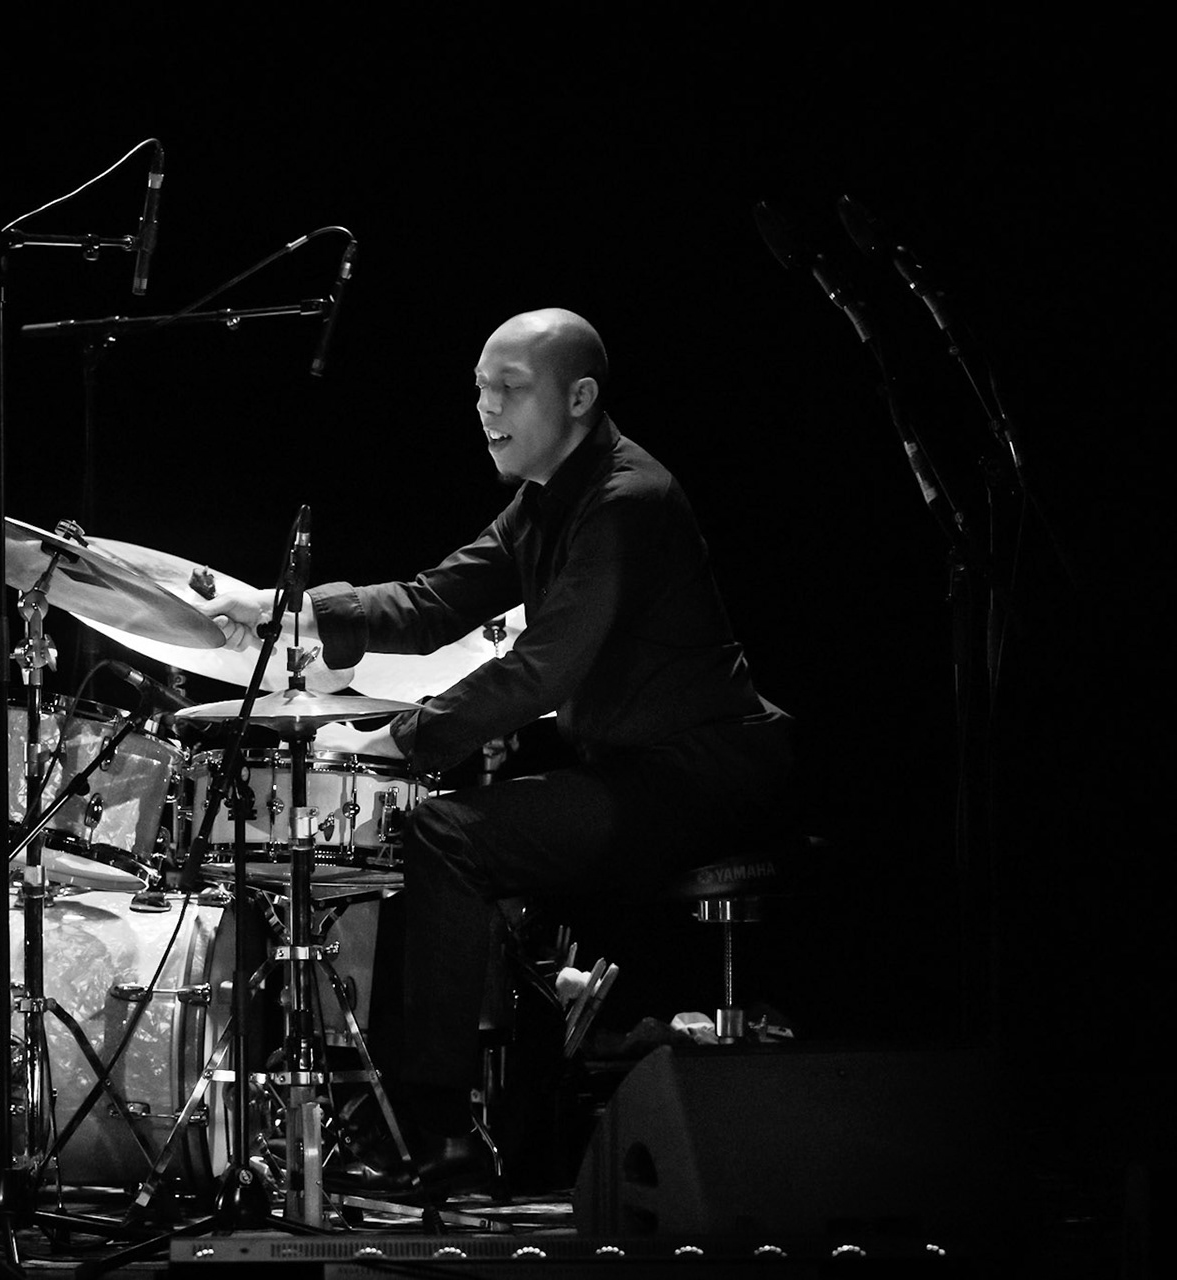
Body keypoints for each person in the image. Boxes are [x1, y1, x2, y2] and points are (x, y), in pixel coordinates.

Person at [200, 307, 794, 1198]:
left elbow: (542, 669)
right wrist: (289, 613)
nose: (485, 406)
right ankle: (476, 1111)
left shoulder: (628, 500)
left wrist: (398, 737)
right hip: (637, 770)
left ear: (581, 397)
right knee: (445, 832)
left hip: (703, 774)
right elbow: (437, 600)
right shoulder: (548, 500)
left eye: (510, 387)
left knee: (448, 834)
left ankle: (445, 1138)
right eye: (480, 387)